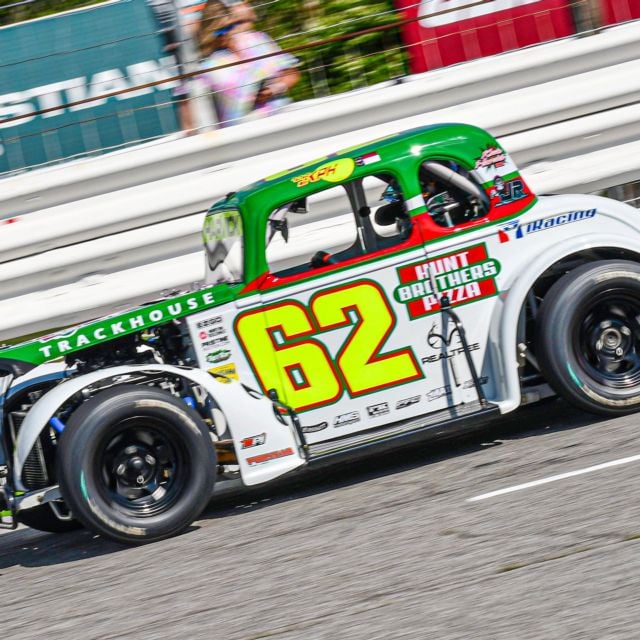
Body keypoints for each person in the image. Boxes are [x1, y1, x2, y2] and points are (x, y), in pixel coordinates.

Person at [196, 0, 300, 127]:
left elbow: (292, 73)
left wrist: (272, 90)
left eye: (229, 27)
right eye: (219, 31)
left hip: (283, 120)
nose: (224, 34)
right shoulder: (209, 67)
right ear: (209, 33)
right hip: (244, 133)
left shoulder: (258, 40)